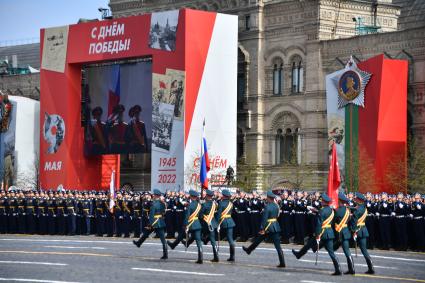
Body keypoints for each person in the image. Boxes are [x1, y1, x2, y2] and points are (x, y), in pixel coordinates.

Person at [292, 193, 342, 276]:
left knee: (308, 244)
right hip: (329, 233)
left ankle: (299, 254)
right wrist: (317, 211)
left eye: (322, 200)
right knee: (331, 252)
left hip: (322, 232)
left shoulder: (322, 211)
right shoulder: (332, 210)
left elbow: (319, 224)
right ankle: (338, 268)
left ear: (324, 202)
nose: (321, 202)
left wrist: (318, 234)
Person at [242, 191, 285, 268]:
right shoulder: (276, 206)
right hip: (275, 226)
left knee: (259, 240)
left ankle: (249, 250)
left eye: (267, 198)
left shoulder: (267, 206)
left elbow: (264, 219)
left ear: (268, 198)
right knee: (276, 245)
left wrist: (262, 228)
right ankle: (282, 262)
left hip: (268, 227)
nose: (266, 199)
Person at [167, 190, 204, 264]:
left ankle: (173, 245)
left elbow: (187, 216)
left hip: (190, 223)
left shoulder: (190, 205)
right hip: (197, 224)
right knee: (198, 241)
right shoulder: (199, 205)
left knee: (181, 235)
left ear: (191, 196)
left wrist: (185, 225)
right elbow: (201, 216)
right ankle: (200, 258)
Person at [133, 189, 168, 260]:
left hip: (154, 222)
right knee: (162, 238)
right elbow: (164, 212)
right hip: (160, 221)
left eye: (153, 195)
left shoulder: (154, 204)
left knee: (146, 233)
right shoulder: (162, 203)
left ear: (155, 196)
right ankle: (165, 254)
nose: (153, 196)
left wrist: (149, 224)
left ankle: (139, 243)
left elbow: (151, 215)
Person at [351, 192, 375, 274]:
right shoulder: (364, 208)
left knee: (362, 249)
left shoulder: (358, 210)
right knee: (364, 249)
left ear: (358, 200)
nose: (355, 199)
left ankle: (351, 268)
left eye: (356, 198)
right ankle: (371, 267)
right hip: (364, 230)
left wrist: (354, 231)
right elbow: (355, 209)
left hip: (358, 230)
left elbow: (354, 221)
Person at [333, 192, 355, 275]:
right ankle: (352, 269)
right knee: (347, 251)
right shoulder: (347, 210)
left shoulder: (338, 210)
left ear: (340, 200)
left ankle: (337, 269)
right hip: (346, 232)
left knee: (331, 249)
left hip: (340, 233)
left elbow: (333, 220)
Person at [217, 189, 236, 262]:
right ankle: (232, 256)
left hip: (223, 221)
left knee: (216, 235)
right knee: (230, 239)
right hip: (230, 221)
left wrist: (218, 224)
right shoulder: (231, 203)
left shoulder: (221, 203)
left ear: (224, 196)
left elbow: (219, 215)